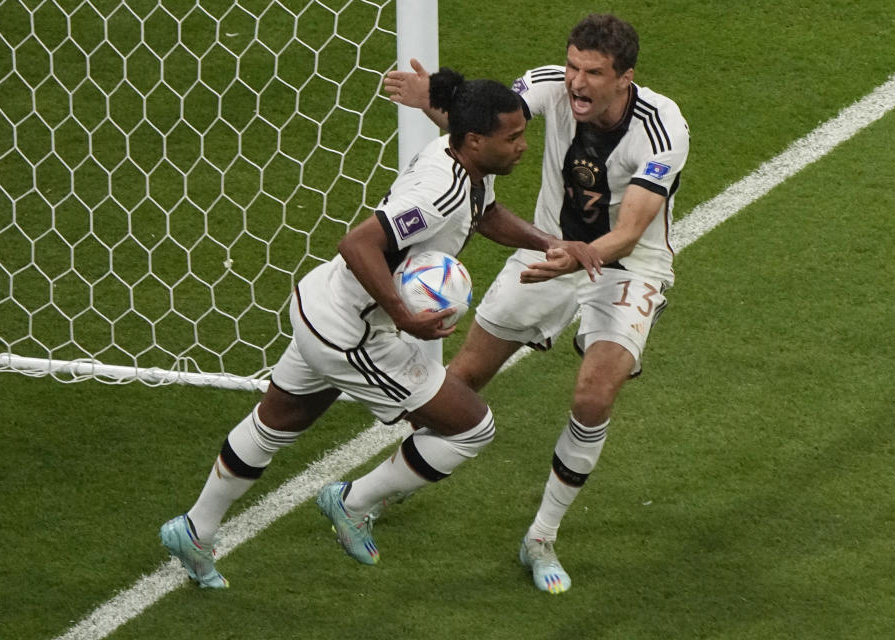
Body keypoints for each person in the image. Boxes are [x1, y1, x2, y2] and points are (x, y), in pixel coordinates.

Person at [158, 68, 600, 588]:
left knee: (277, 421)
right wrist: (405, 314)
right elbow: (359, 244)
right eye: (513, 137)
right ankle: (353, 502)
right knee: (471, 427)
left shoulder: (458, 161)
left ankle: (194, 528)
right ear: (476, 140)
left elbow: (486, 213)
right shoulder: (438, 193)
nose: (523, 145)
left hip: (319, 303)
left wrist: (549, 241)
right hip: (352, 334)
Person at [383, 13, 690, 594]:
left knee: (594, 393)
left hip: (626, 265)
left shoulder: (663, 128)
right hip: (548, 248)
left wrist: (578, 256)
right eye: (573, 65)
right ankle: (368, 495)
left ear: (625, 76)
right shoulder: (551, 84)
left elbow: (628, 232)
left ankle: (540, 537)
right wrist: (434, 102)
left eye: (593, 72)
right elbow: (484, 129)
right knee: (457, 384)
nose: (576, 82)